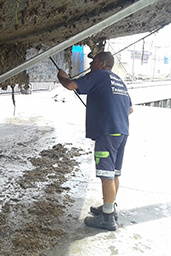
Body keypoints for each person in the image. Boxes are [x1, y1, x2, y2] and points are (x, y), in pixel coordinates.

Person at [57, 51, 133, 231]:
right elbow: (129, 109)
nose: (91, 65)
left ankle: (107, 219)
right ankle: (110, 207)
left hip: (107, 133)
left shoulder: (98, 75)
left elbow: (70, 85)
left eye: (94, 62)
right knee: (114, 173)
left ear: (102, 64)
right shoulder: (119, 80)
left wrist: (61, 77)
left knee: (106, 173)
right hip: (121, 132)